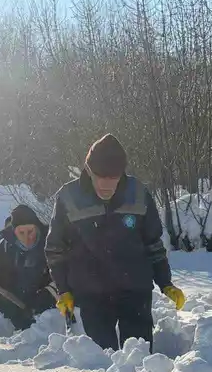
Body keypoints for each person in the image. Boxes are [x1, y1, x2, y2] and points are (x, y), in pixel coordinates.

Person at [45, 133, 185, 350]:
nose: (107, 184)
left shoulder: (137, 192)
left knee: (138, 356)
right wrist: (63, 289)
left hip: (135, 290)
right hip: (91, 293)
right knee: (102, 360)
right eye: (101, 176)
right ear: (88, 170)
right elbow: (55, 248)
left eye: (114, 177)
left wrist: (165, 282)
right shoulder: (69, 197)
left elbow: (153, 243)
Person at [0, 204, 59, 325]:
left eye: (30, 231)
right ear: (14, 232)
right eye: (21, 233)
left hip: (54, 310)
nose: (26, 238)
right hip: (24, 309)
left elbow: (67, 273)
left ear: (37, 227)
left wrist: (47, 295)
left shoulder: (52, 242)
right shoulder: (7, 247)